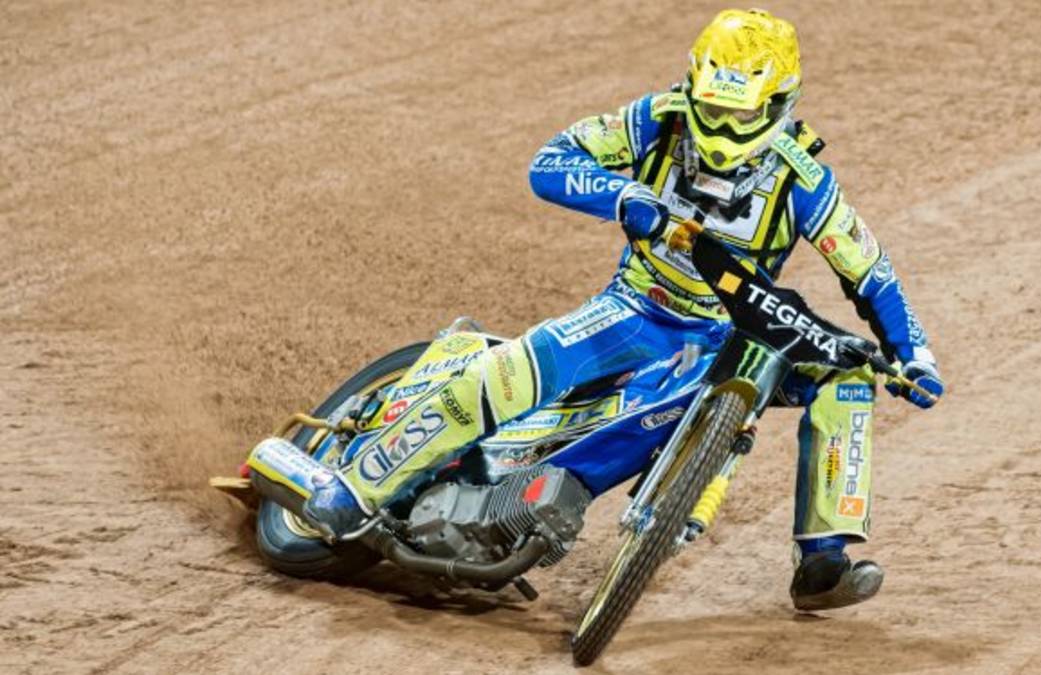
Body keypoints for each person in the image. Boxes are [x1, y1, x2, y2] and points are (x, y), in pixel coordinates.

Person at [305, 8, 943, 612]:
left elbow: (872, 273)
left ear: (777, 106)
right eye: (712, 109)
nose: (721, 130)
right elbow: (550, 162)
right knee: (507, 372)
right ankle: (357, 486)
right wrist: (623, 195)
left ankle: (823, 562)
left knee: (849, 378)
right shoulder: (655, 120)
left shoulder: (805, 181)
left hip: (732, 338)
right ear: (693, 86)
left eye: (739, 114)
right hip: (634, 309)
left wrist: (915, 355)